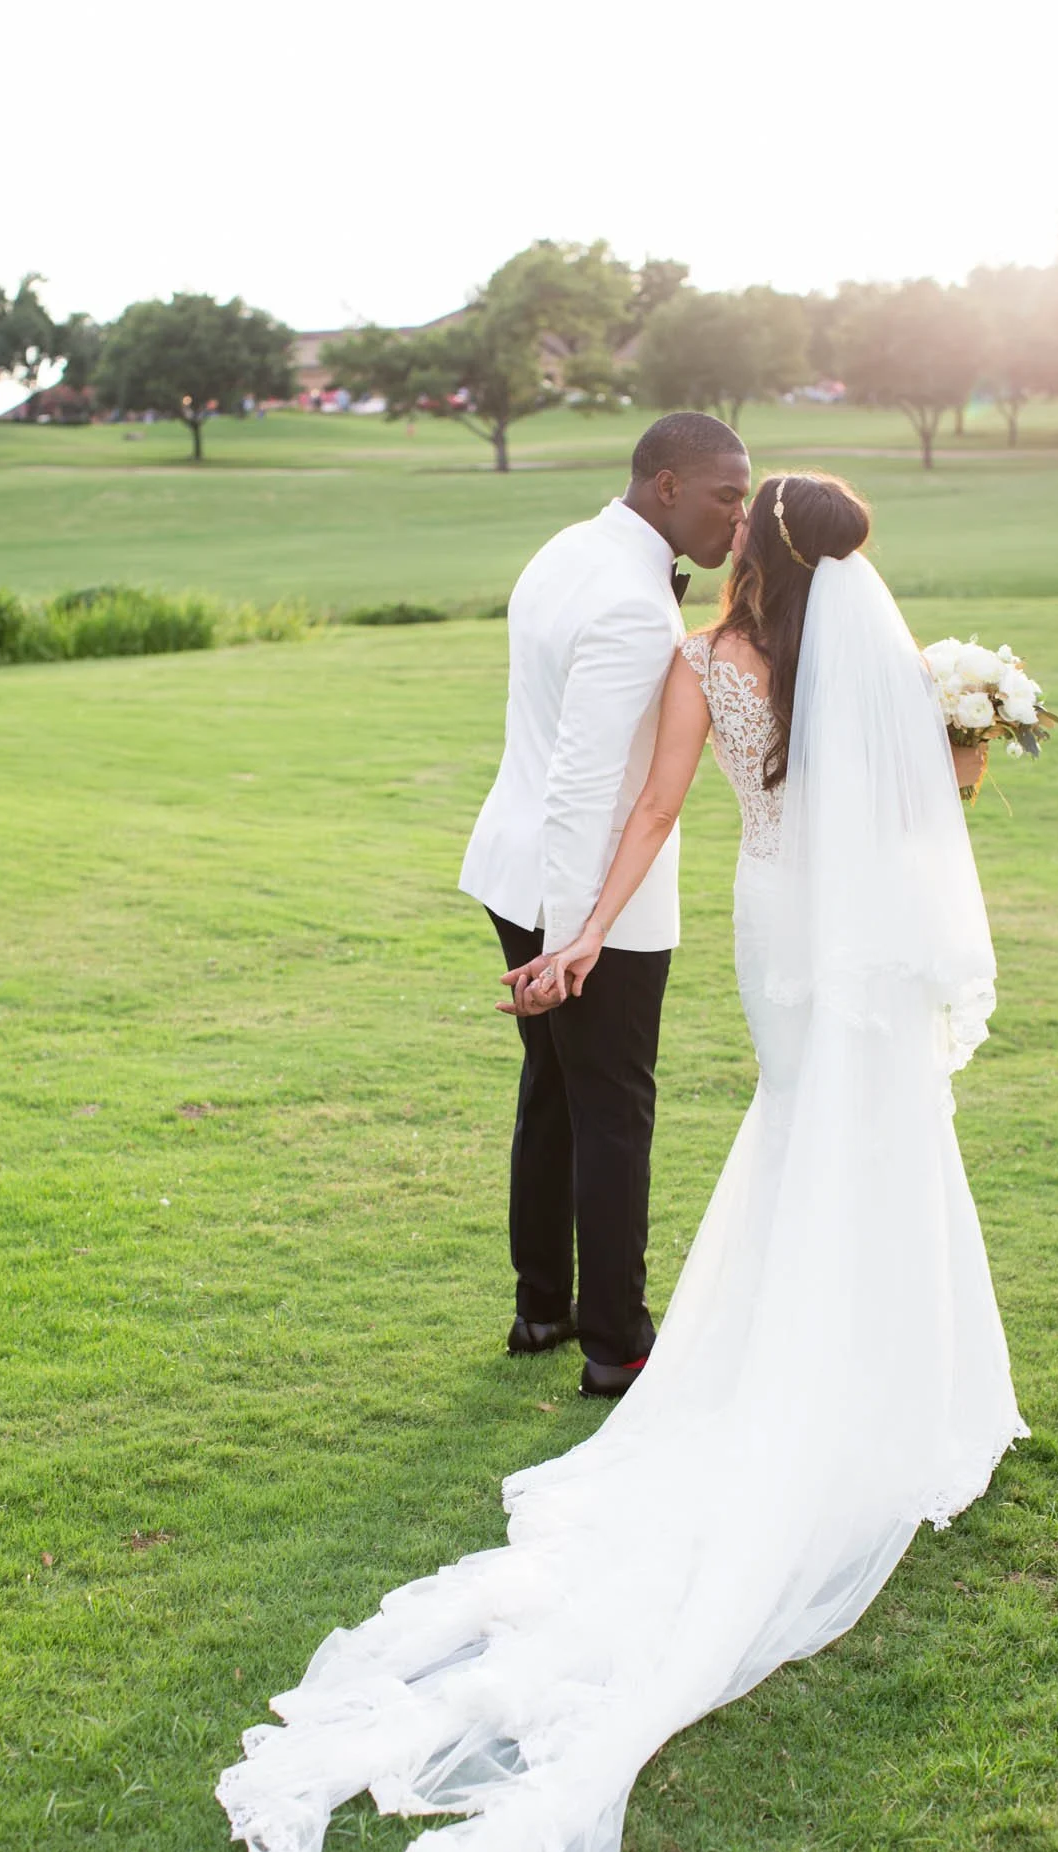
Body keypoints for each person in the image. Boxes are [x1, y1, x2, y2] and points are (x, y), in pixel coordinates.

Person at [217, 472, 1027, 1852]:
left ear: (754, 554)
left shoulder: (706, 662)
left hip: (774, 928)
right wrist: (963, 731)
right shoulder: (869, 665)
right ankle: (904, 1389)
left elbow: (662, 804)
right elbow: (915, 806)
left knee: (803, 1136)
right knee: (881, 1143)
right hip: (855, 928)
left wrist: (580, 930)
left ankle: (819, 1370)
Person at [458, 413, 752, 1396]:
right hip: (584, 898)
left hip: (517, 867)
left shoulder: (565, 548)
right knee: (613, 1111)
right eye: (725, 495)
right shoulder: (631, 603)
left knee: (554, 1091)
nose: (738, 516)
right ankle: (616, 1343)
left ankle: (540, 1303)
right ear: (666, 485)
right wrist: (577, 937)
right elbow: (586, 782)